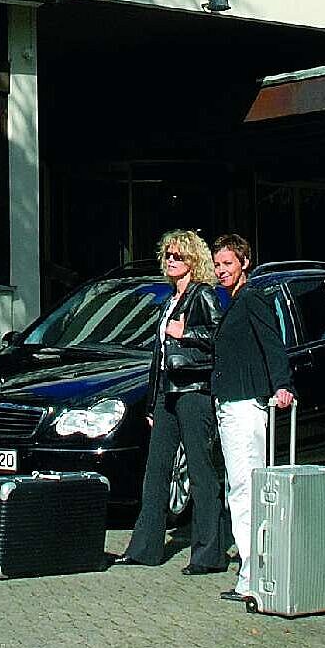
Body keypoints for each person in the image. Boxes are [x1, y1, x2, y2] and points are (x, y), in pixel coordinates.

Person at [114, 230, 224, 573]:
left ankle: (208, 555)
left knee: (201, 471)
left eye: (178, 256)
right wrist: (152, 403)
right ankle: (144, 549)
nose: (171, 261)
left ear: (193, 260)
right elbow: (159, 357)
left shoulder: (203, 295)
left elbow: (218, 336)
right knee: (156, 470)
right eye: (168, 256)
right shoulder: (169, 300)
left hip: (193, 391)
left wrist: (185, 332)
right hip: (167, 392)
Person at [208, 232, 292, 605]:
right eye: (217, 264)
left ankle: (253, 574)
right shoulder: (232, 301)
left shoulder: (252, 298)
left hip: (244, 405)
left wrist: (282, 384)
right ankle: (253, 569)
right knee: (240, 488)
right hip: (230, 404)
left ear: (244, 262)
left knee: (245, 490)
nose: (221, 270)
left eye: (228, 263)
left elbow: (272, 343)